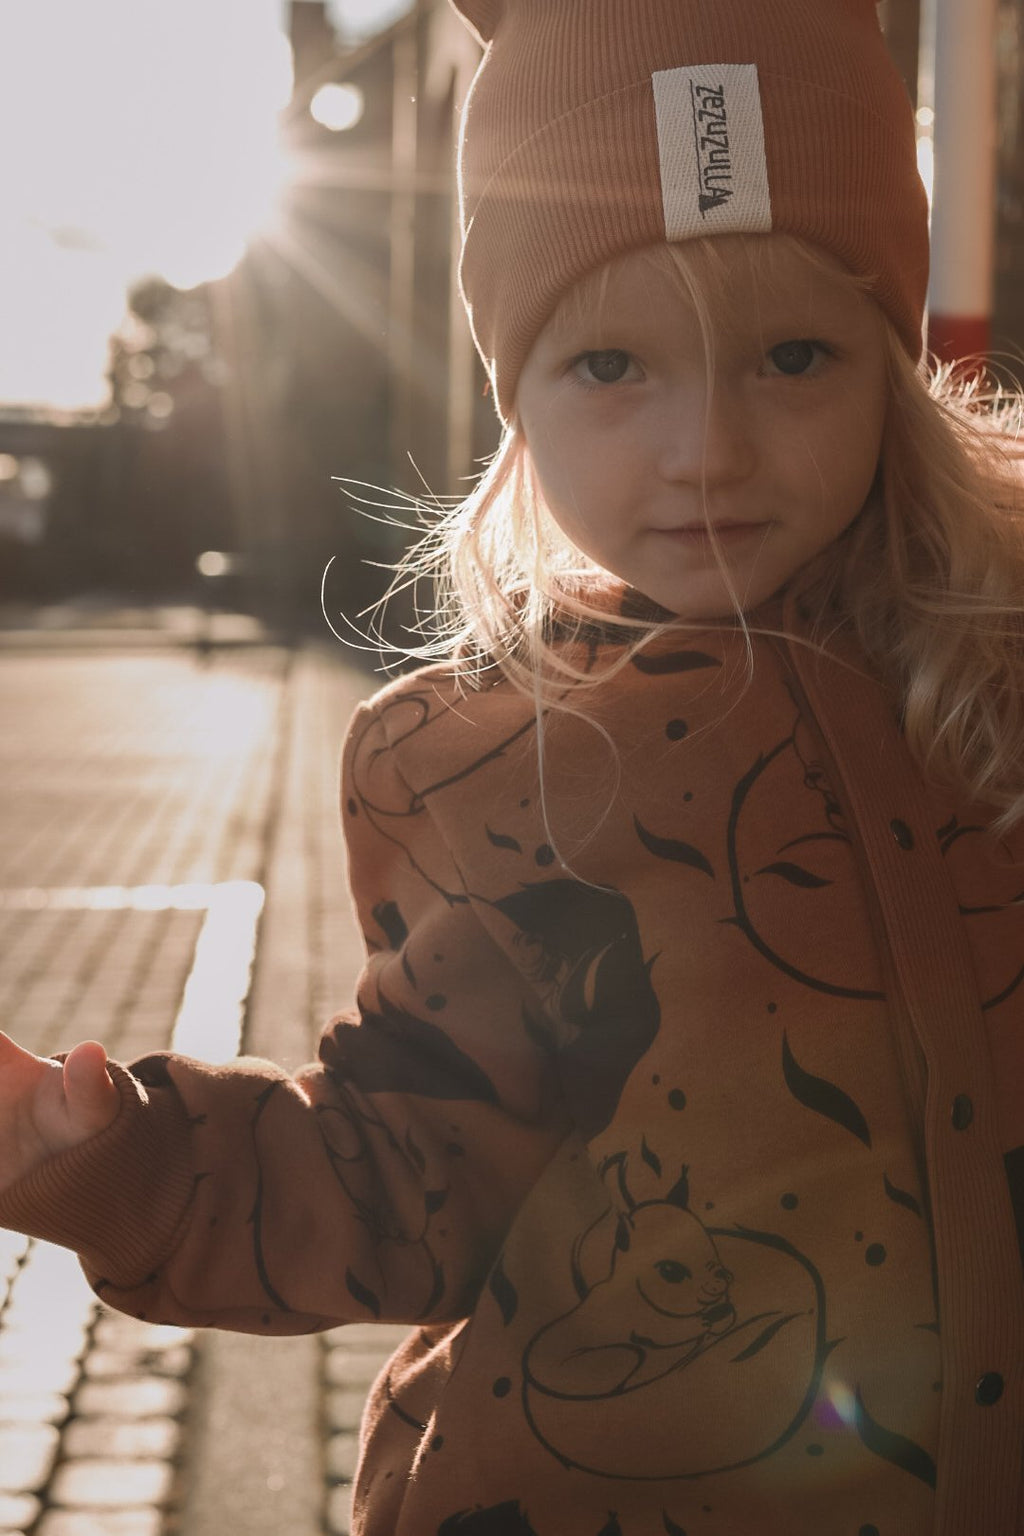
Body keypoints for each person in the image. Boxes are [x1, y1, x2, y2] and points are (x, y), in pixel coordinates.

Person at [2, 1, 1023, 1531]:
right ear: (516, 406)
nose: (707, 447)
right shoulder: (483, 765)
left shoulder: (991, 674)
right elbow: (404, 1164)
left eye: (793, 355)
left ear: (890, 364)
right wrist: (126, 1165)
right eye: (611, 362)